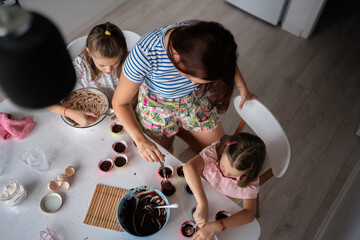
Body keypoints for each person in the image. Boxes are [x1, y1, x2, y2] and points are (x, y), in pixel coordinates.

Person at [112, 20, 255, 162]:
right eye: (189, 76)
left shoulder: (205, 37)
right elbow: (119, 102)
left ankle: (180, 130)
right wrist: (140, 140)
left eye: (201, 82)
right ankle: (178, 131)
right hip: (157, 107)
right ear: (181, 57)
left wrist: (242, 87)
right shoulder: (145, 53)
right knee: (164, 154)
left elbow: (225, 59)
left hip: (194, 100)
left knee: (218, 153)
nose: (192, 83)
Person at [183, 133, 266, 240]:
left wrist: (217, 226)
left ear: (248, 173)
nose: (225, 174)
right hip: (204, 189)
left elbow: (249, 214)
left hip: (227, 200)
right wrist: (203, 202)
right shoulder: (217, 149)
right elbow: (189, 167)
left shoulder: (250, 182)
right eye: (222, 166)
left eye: (233, 175)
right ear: (224, 149)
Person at [47, 22, 128, 126]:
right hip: (94, 110)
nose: (108, 70)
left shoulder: (128, 61)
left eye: (115, 63)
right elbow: (48, 100)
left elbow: (137, 90)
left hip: (122, 106)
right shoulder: (81, 65)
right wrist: (70, 113)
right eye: (102, 65)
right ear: (89, 52)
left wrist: (129, 105)